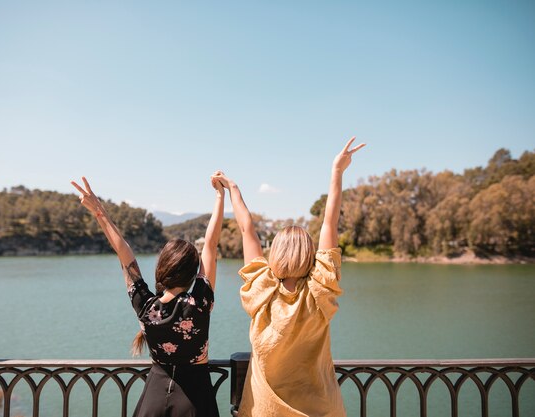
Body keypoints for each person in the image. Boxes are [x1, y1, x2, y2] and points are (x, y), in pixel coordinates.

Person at [213, 137, 365, 417]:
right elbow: (329, 223)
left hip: (265, 411)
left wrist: (233, 189)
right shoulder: (320, 288)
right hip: (321, 409)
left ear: (276, 253)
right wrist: (337, 172)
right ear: (310, 254)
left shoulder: (262, 288)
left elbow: (247, 230)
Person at [71, 175, 224, 417]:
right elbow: (211, 244)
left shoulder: (146, 307)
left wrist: (99, 211)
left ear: (162, 268)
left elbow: (123, 252)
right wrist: (219, 196)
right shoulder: (199, 304)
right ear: (192, 273)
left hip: (153, 398)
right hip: (195, 401)